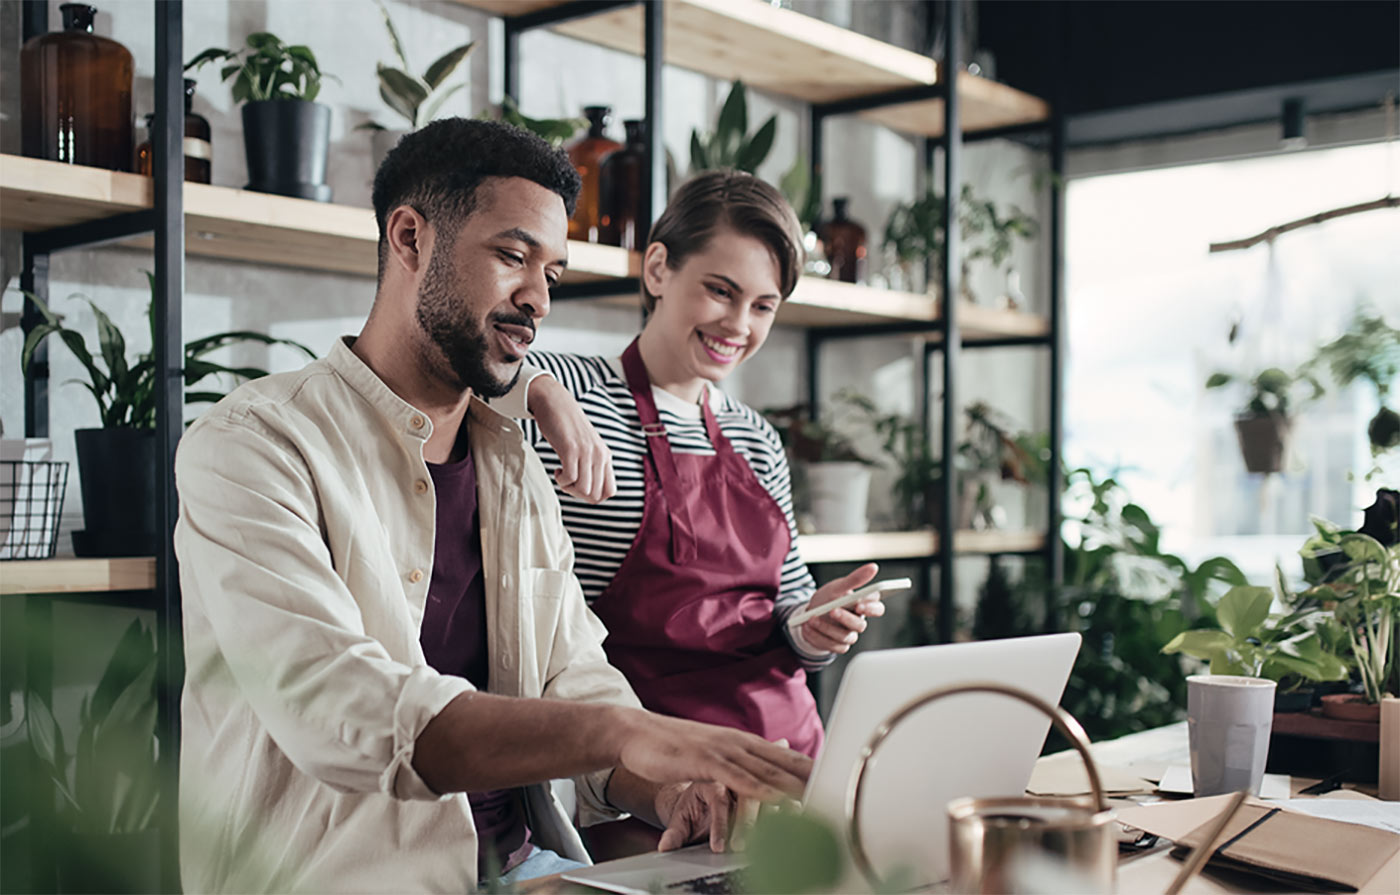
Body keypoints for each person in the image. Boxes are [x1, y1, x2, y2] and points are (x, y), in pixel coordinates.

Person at [173, 120, 811, 894]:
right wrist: (632, 730)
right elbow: (342, 709)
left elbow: (573, 674)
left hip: (533, 872)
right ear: (409, 238)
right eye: (513, 256)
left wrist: (667, 787)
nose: (538, 298)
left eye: (554, 270)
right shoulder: (253, 446)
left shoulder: (512, 459)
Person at [499, 170, 886, 768]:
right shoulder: (570, 391)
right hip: (646, 771)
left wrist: (816, 626)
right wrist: (542, 391)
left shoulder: (756, 437)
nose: (739, 325)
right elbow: (462, 373)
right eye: (720, 291)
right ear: (658, 269)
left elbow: (787, 610)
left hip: (788, 754)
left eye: (763, 306)